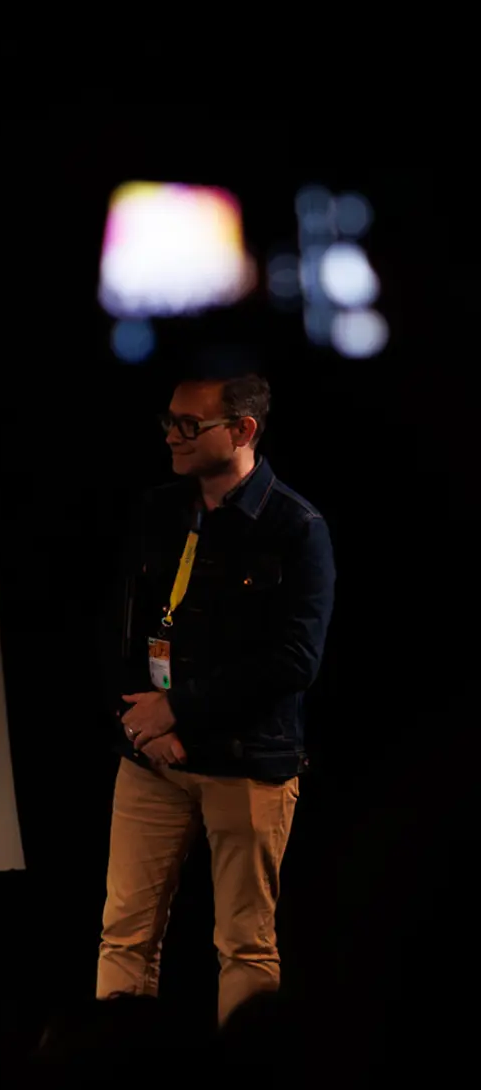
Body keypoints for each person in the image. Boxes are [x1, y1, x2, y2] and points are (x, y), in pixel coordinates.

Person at [95, 369, 333, 1022]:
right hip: (153, 759)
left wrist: (181, 710)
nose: (172, 436)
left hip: (245, 762)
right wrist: (145, 723)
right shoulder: (157, 510)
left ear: (243, 430)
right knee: (124, 936)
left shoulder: (296, 526)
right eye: (168, 421)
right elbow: (123, 628)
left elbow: (293, 661)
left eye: (189, 425)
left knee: (244, 946)